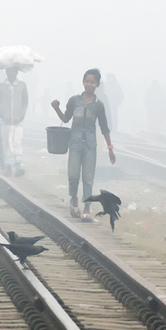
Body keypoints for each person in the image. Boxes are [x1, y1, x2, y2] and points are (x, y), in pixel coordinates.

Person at [51, 68, 116, 220]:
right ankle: (73, 198)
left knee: (88, 177)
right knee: (73, 175)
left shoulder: (98, 105)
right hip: (74, 144)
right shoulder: (74, 101)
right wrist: (56, 108)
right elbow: (66, 119)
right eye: (87, 81)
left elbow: (104, 127)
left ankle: (86, 207)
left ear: (97, 85)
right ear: (83, 82)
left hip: (90, 146)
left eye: (92, 82)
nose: (89, 84)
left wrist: (110, 147)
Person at [0, 67, 28, 176]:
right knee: (7, 144)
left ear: (17, 72)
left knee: (17, 143)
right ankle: (8, 168)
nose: (11, 73)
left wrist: (22, 114)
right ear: (6, 72)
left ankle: (18, 168)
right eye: (9, 71)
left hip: (18, 120)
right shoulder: (1, 87)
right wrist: (2, 114)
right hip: (5, 120)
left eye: (14, 71)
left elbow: (25, 101)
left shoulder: (22, 85)